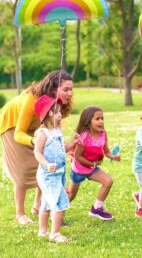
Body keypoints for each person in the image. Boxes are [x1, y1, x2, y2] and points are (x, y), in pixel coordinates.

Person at [0, 70, 73, 224]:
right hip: (13, 125)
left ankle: (37, 205)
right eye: (65, 89)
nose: (70, 93)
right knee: (24, 169)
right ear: (53, 89)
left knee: (45, 163)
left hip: (36, 127)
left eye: (71, 89)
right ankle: (20, 213)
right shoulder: (32, 98)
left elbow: (54, 127)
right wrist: (37, 142)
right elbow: (19, 134)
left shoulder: (58, 104)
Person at [33, 95, 77, 243]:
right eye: (57, 112)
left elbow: (61, 149)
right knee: (60, 202)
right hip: (48, 175)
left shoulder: (58, 131)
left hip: (59, 173)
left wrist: (72, 143)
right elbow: (37, 152)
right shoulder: (43, 134)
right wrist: (46, 164)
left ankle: (43, 231)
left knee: (46, 202)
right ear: (49, 114)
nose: (60, 115)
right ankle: (55, 233)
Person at [68, 106, 121, 221]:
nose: (101, 121)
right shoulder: (85, 136)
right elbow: (77, 157)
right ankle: (56, 212)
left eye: (102, 118)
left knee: (108, 181)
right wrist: (93, 164)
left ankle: (96, 209)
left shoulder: (103, 134)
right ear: (88, 121)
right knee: (71, 195)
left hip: (92, 167)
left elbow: (106, 151)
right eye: (97, 119)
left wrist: (113, 156)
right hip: (79, 169)